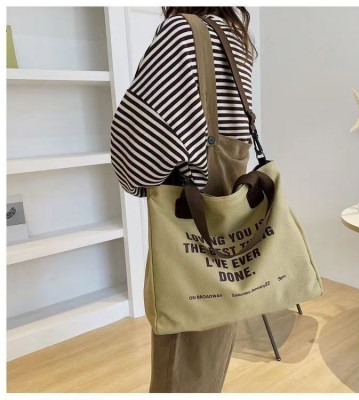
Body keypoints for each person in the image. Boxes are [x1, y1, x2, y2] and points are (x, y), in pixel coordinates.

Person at [109, 6, 258, 393]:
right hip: (230, 240)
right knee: (207, 364)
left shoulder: (182, 34)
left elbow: (135, 164)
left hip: (190, 239)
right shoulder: (235, 38)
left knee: (180, 371)